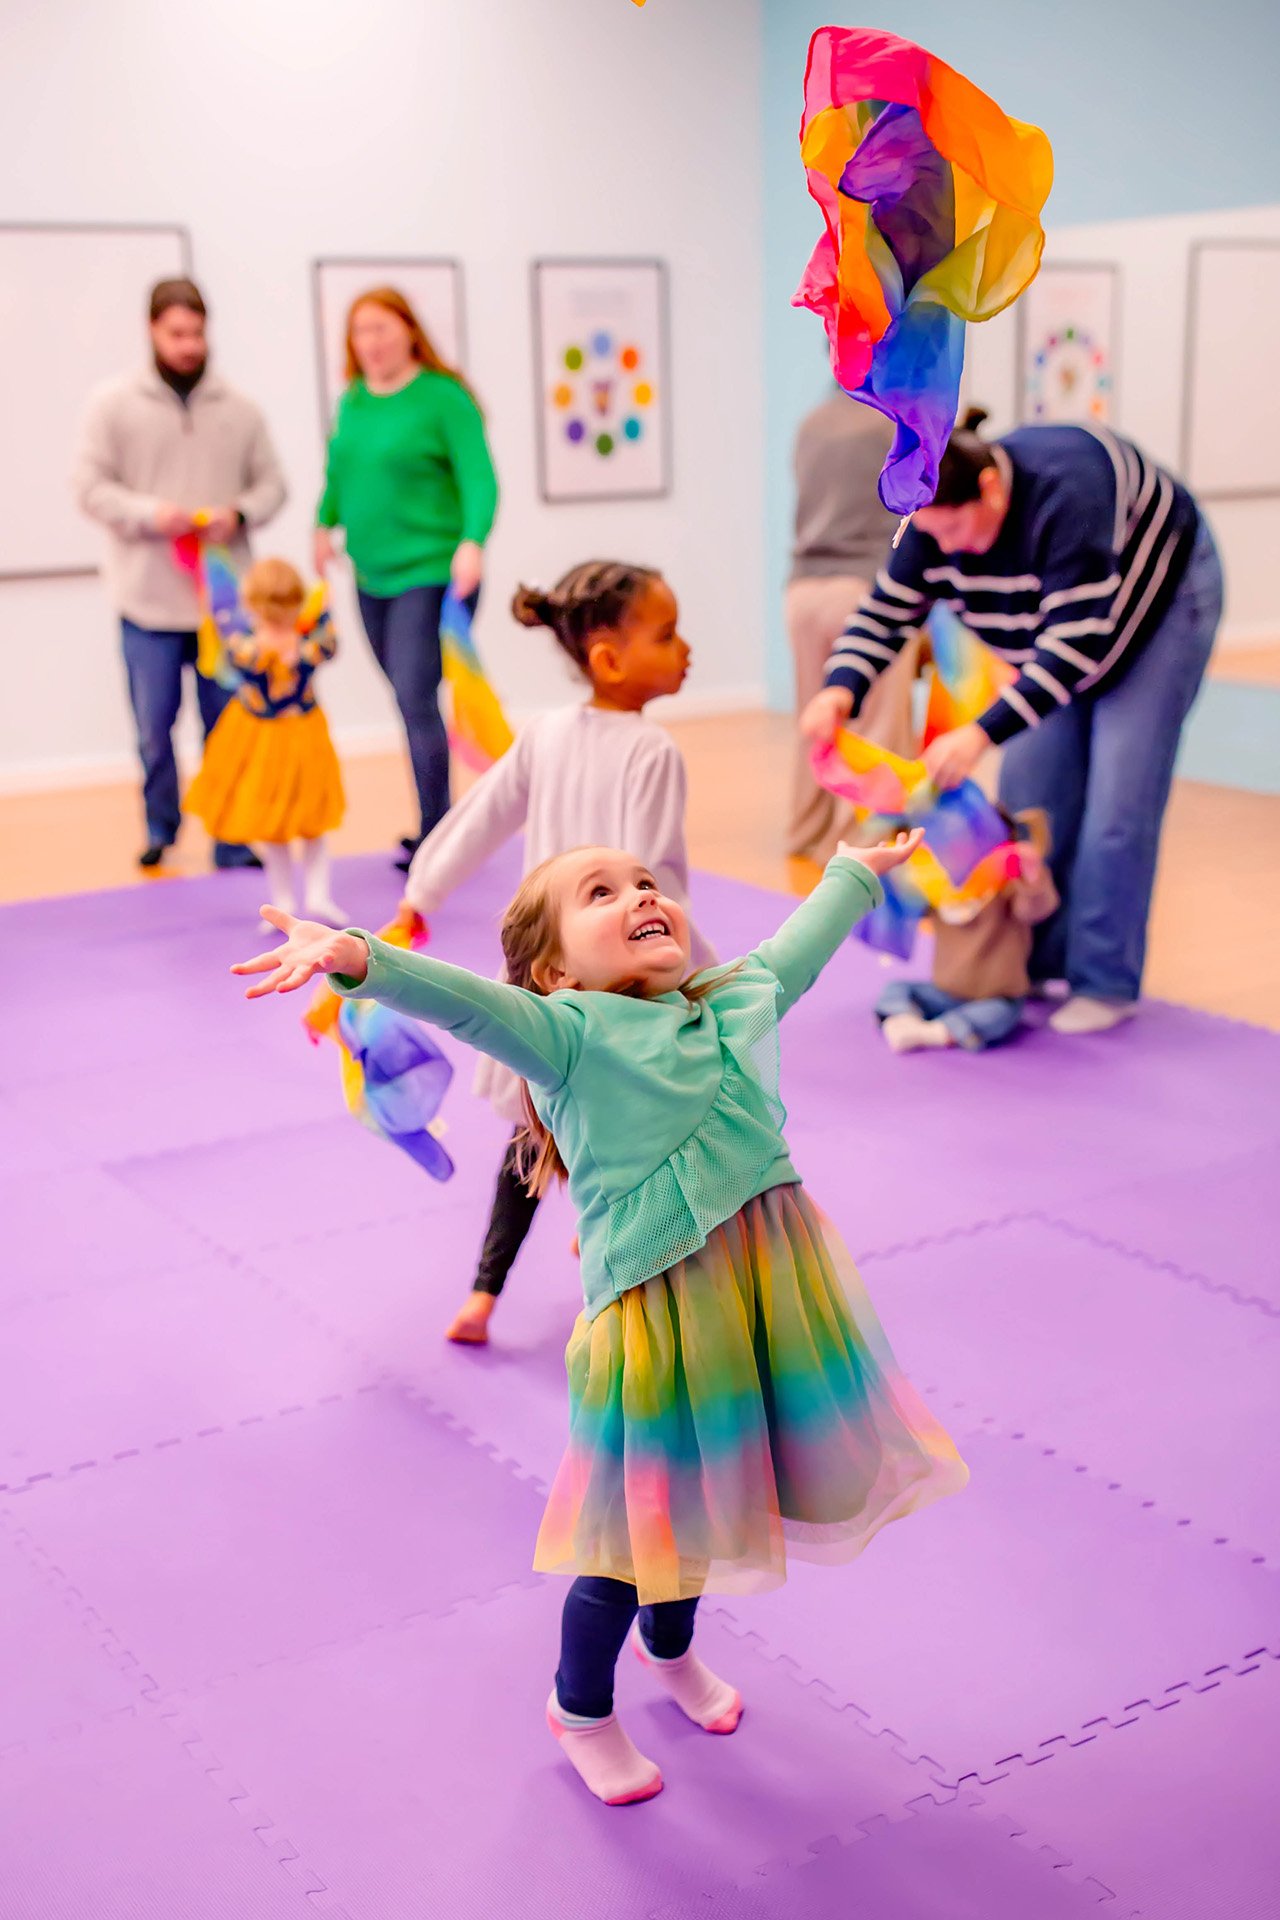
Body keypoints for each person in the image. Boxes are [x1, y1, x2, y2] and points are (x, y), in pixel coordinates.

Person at [233, 833, 968, 1807]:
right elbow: (461, 1000)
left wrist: (851, 869)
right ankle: (579, 1707)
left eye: (645, 882)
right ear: (553, 969)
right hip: (658, 1325)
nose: (639, 894)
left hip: (760, 1295)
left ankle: (672, 1652)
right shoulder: (563, 1034)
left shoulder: (729, 1000)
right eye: (600, 893)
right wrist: (357, 958)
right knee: (628, 1542)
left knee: (711, 1501)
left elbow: (799, 948)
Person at [801, 411, 1224, 1034]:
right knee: (1032, 800)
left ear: (993, 492)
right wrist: (839, 690)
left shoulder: (1068, 494)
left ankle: (1105, 981)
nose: (943, 549)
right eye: (933, 537)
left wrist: (979, 732)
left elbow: (1075, 650)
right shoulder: (932, 520)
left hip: (1156, 603)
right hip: (1052, 631)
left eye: (957, 532)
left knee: (1117, 802)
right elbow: (886, 612)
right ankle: (1035, 962)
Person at [396, 560, 717, 1346]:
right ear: (609, 659)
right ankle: (617, 1259)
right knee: (642, 1127)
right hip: (618, 988)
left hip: (548, 974)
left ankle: (480, 1297)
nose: (686, 650)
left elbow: (477, 817)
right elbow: (652, 881)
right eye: (667, 635)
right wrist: (707, 977)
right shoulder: (652, 750)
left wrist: (420, 895)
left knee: (530, 1129)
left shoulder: (546, 734)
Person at [73, 278, 286, 870]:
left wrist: (238, 514)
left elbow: (274, 486)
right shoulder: (111, 405)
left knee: (230, 727)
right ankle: (161, 828)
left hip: (225, 606)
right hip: (147, 601)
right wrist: (152, 515)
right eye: (177, 334)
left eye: (197, 333)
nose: (189, 345)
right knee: (154, 728)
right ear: (152, 331)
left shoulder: (240, 410)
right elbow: (89, 488)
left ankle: (233, 837)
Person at [314, 288, 499, 871]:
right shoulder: (354, 402)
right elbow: (340, 470)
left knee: (416, 696)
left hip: (433, 572)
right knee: (407, 698)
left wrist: (473, 541)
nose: (370, 343)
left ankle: (437, 837)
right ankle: (440, 825)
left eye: (381, 330)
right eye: (360, 332)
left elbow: (480, 477)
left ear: (409, 332)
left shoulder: (442, 397)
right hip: (372, 576)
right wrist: (323, 522)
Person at [786, 387, 921, 862]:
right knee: (875, 726)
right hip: (865, 589)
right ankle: (860, 847)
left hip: (803, 590)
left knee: (816, 718)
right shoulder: (895, 425)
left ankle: (805, 832)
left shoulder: (811, 423)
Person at [184, 558, 346, 928]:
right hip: (300, 733)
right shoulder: (307, 647)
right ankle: (316, 896)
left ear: (252, 604)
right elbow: (329, 643)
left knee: (277, 829)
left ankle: (286, 901)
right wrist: (325, 609)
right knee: (313, 821)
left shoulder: (245, 648)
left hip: (265, 738)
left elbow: (231, 642)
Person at [875, 809, 1058, 1052]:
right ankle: (903, 1019)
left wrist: (1032, 878)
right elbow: (904, 906)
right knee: (896, 989)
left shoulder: (1006, 889)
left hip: (996, 996)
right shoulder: (940, 889)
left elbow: (1036, 909)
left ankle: (937, 1032)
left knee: (998, 1015)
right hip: (945, 992)